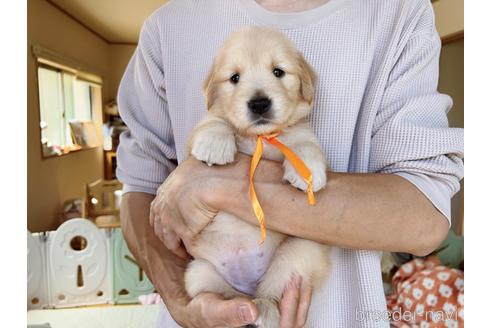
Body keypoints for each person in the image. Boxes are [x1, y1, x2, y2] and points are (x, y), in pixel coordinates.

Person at [116, 0, 464, 327]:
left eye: (279, 72)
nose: (257, 95)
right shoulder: (167, 26)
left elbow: (425, 220)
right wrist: (181, 301)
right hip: (210, 275)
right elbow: (138, 185)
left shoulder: (400, 13)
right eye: (235, 78)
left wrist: (216, 186)